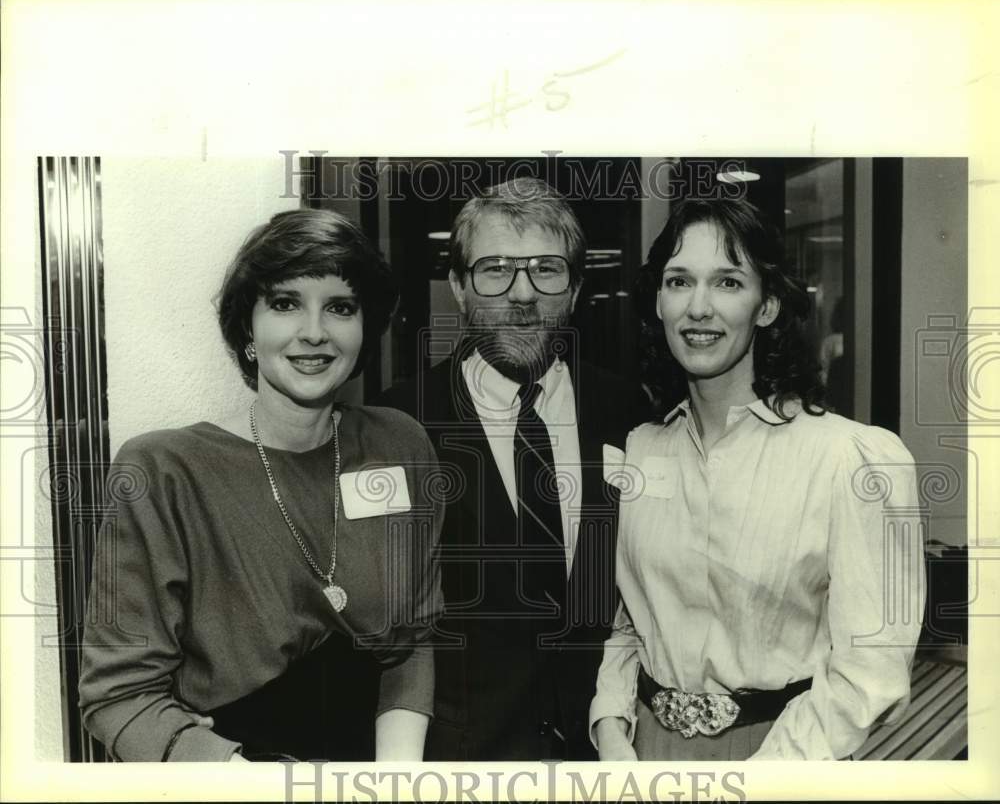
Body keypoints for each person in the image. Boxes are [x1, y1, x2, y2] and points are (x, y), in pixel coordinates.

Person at [79, 208, 443, 762]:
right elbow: (116, 697)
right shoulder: (165, 469)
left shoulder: (399, 444)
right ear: (248, 326)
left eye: (340, 307)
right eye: (284, 303)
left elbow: (410, 643)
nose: (314, 332)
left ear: (365, 326)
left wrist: (395, 780)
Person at [590, 197, 924, 760]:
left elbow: (871, 671)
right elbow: (633, 621)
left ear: (766, 305)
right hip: (643, 753)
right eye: (679, 281)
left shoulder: (851, 458)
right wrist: (609, 727)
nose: (699, 308)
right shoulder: (643, 449)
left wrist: (756, 778)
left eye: (727, 282)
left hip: (784, 757)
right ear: (658, 302)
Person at [377, 178, 647, 760]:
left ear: (574, 289)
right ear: (457, 286)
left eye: (547, 270)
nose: (522, 294)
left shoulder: (627, 411)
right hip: (459, 765)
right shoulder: (398, 423)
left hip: (601, 753)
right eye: (495, 269)